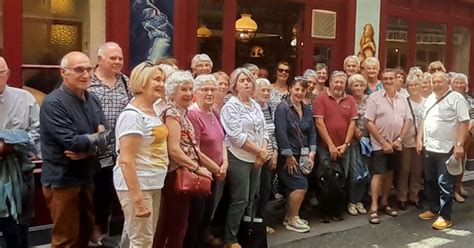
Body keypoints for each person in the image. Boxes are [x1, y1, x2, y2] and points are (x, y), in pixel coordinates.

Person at [40, 51, 108, 247]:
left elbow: (108, 135)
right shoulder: (54, 103)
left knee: (85, 234)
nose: (86, 74)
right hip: (62, 180)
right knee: (65, 239)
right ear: (63, 72)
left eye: (89, 69)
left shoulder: (93, 98)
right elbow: (72, 143)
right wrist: (97, 137)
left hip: (88, 176)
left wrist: (90, 149)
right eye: (79, 70)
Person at [153, 71, 215, 248]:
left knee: (166, 223)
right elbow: (174, 149)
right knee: (178, 225)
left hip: (178, 172)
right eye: (183, 89)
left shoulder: (182, 112)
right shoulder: (172, 113)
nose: (188, 93)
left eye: (190, 89)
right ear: (172, 92)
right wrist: (197, 168)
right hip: (176, 174)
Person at [114, 62, 168, 247]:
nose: (162, 84)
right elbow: (126, 160)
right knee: (141, 242)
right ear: (142, 82)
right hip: (138, 186)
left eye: (163, 80)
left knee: (144, 239)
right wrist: (137, 200)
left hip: (153, 183)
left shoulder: (154, 111)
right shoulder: (132, 116)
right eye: (157, 79)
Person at [88, 42, 132, 242]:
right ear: (99, 60)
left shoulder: (126, 82)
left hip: (122, 148)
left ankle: (114, 235)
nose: (117, 62)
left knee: (120, 192)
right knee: (99, 193)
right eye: (112, 58)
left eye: (120, 58)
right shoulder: (88, 81)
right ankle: (96, 233)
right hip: (94, 149)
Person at [220, 68, 269, 248]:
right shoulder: (230, 106)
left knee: (252, 197)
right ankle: (230, 238)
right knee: (239, 198)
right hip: (238, 157)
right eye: (242, 81)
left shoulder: (255, 104)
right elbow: (236, 136)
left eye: (249, 80)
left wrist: (262, 152)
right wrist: (259, 151)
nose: (247, 83)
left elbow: (264, 130)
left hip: (257, 157)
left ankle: (246, 233)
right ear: (235, 85)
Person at [416, 71, 470, 230]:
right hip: (429, 147)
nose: (437, 84)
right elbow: (423, 120)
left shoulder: (456, 98)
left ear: (448, 83)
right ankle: (433, 209)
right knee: (430, 180)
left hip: (447, 148)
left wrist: (459, 144)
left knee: (445, 183)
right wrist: (419, 138)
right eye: (434, 81)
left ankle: (445, 216)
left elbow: (464, 122)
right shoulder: (430, 98)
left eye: (440, 81)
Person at [0, 56, 39, 248]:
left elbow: (38, 133)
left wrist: (11, 143)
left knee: (17, 233)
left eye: (0, 72)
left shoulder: (25, 99)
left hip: (20, 177)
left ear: (7, 73)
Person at [184, 74, 227, 247]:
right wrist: (216, 169)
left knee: (207, 214)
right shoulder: (193, 114)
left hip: (215, 171)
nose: (209, 93)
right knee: (196, 216)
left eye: (212, 89)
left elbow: (222, 139)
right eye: (205, 89)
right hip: (200, 173)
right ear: (195, 93)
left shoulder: (213, 111)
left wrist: (225, 163)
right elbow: (196, 150)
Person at [365, 69, 411, 224]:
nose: (388, 81)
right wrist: (383, 142)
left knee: (390, 174)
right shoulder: (374, 98)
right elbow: (369, 122)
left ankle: (385, 203)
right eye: (385, 78)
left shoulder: (403, 98)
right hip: (380, 144)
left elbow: (408, 121)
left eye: (391, 78)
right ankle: (373, 207)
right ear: (381, 80)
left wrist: (399, 140)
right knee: (378, 175)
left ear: (396, 80)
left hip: (396, 144)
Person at [313, 71, 357, 221]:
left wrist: (345, 144)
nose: (338, 85)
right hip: (325, 148)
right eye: (336, 82)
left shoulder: (350, 100)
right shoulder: (321, 98)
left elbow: (352, 123)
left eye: (341, 82)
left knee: (341, 180)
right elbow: (319, 123)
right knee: (325, 180)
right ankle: (325, 212)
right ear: (330, 82)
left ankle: (338, 210)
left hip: (344, 147)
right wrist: (331, 145)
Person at [275, 78, 316, 232]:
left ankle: (290, 216)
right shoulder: (282, 108)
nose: (299, 93)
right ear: (290, 89)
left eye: (302, 90)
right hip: (289, 157)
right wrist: (288, 156)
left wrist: (312, 152)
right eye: (296, 89)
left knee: (294, 187)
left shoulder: (307, 109)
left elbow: (312, 131)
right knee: (300, 186)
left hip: (304, 156)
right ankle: (292, 219)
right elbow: (281, 133)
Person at [253, 78, 279, 234]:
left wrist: (275, 152)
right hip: (255, 156)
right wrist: (260, 153)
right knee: (253, 193)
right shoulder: (251, 108)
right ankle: (250, 225)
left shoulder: (269, 108)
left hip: (269, 155)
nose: (266, 93)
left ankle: (261, 222)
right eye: (262, 90)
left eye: (268, 90)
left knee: (265, 191)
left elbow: (272, 132)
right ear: (254, 91)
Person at [397, 75, 425, 210]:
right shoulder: (403, 101)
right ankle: (402, 197)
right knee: (404, 169)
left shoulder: (426, 102)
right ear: (407, 88)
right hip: (406, 140)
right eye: (410, 85)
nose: (413, 87)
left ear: (420, 86)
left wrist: (420, 137)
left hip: (420, 140)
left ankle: (414, 196)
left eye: (416, 85)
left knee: (417, 170)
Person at [346, 74, 370, 216]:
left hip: (367, 140)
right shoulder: (348, 100)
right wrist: (354, 129)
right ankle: (352, 201)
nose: (359, 88)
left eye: (361, 85)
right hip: (353, 140)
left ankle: (360, 200)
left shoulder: (370, 99)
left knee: (365, 172)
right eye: (355, 85)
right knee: (355, 172)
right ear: (351, 87)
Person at [449, 73, 472, 203]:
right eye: (456, 82)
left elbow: (472, 118)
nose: (458, 85)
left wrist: (464, 133)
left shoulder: (469, 99)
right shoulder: (447, 97)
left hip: (464, 136)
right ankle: (449, 190)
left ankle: (457, 188)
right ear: (451, 84)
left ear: (466, 85)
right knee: (448, 164)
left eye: (461, 82)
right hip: (448, 135)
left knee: (460, 163)